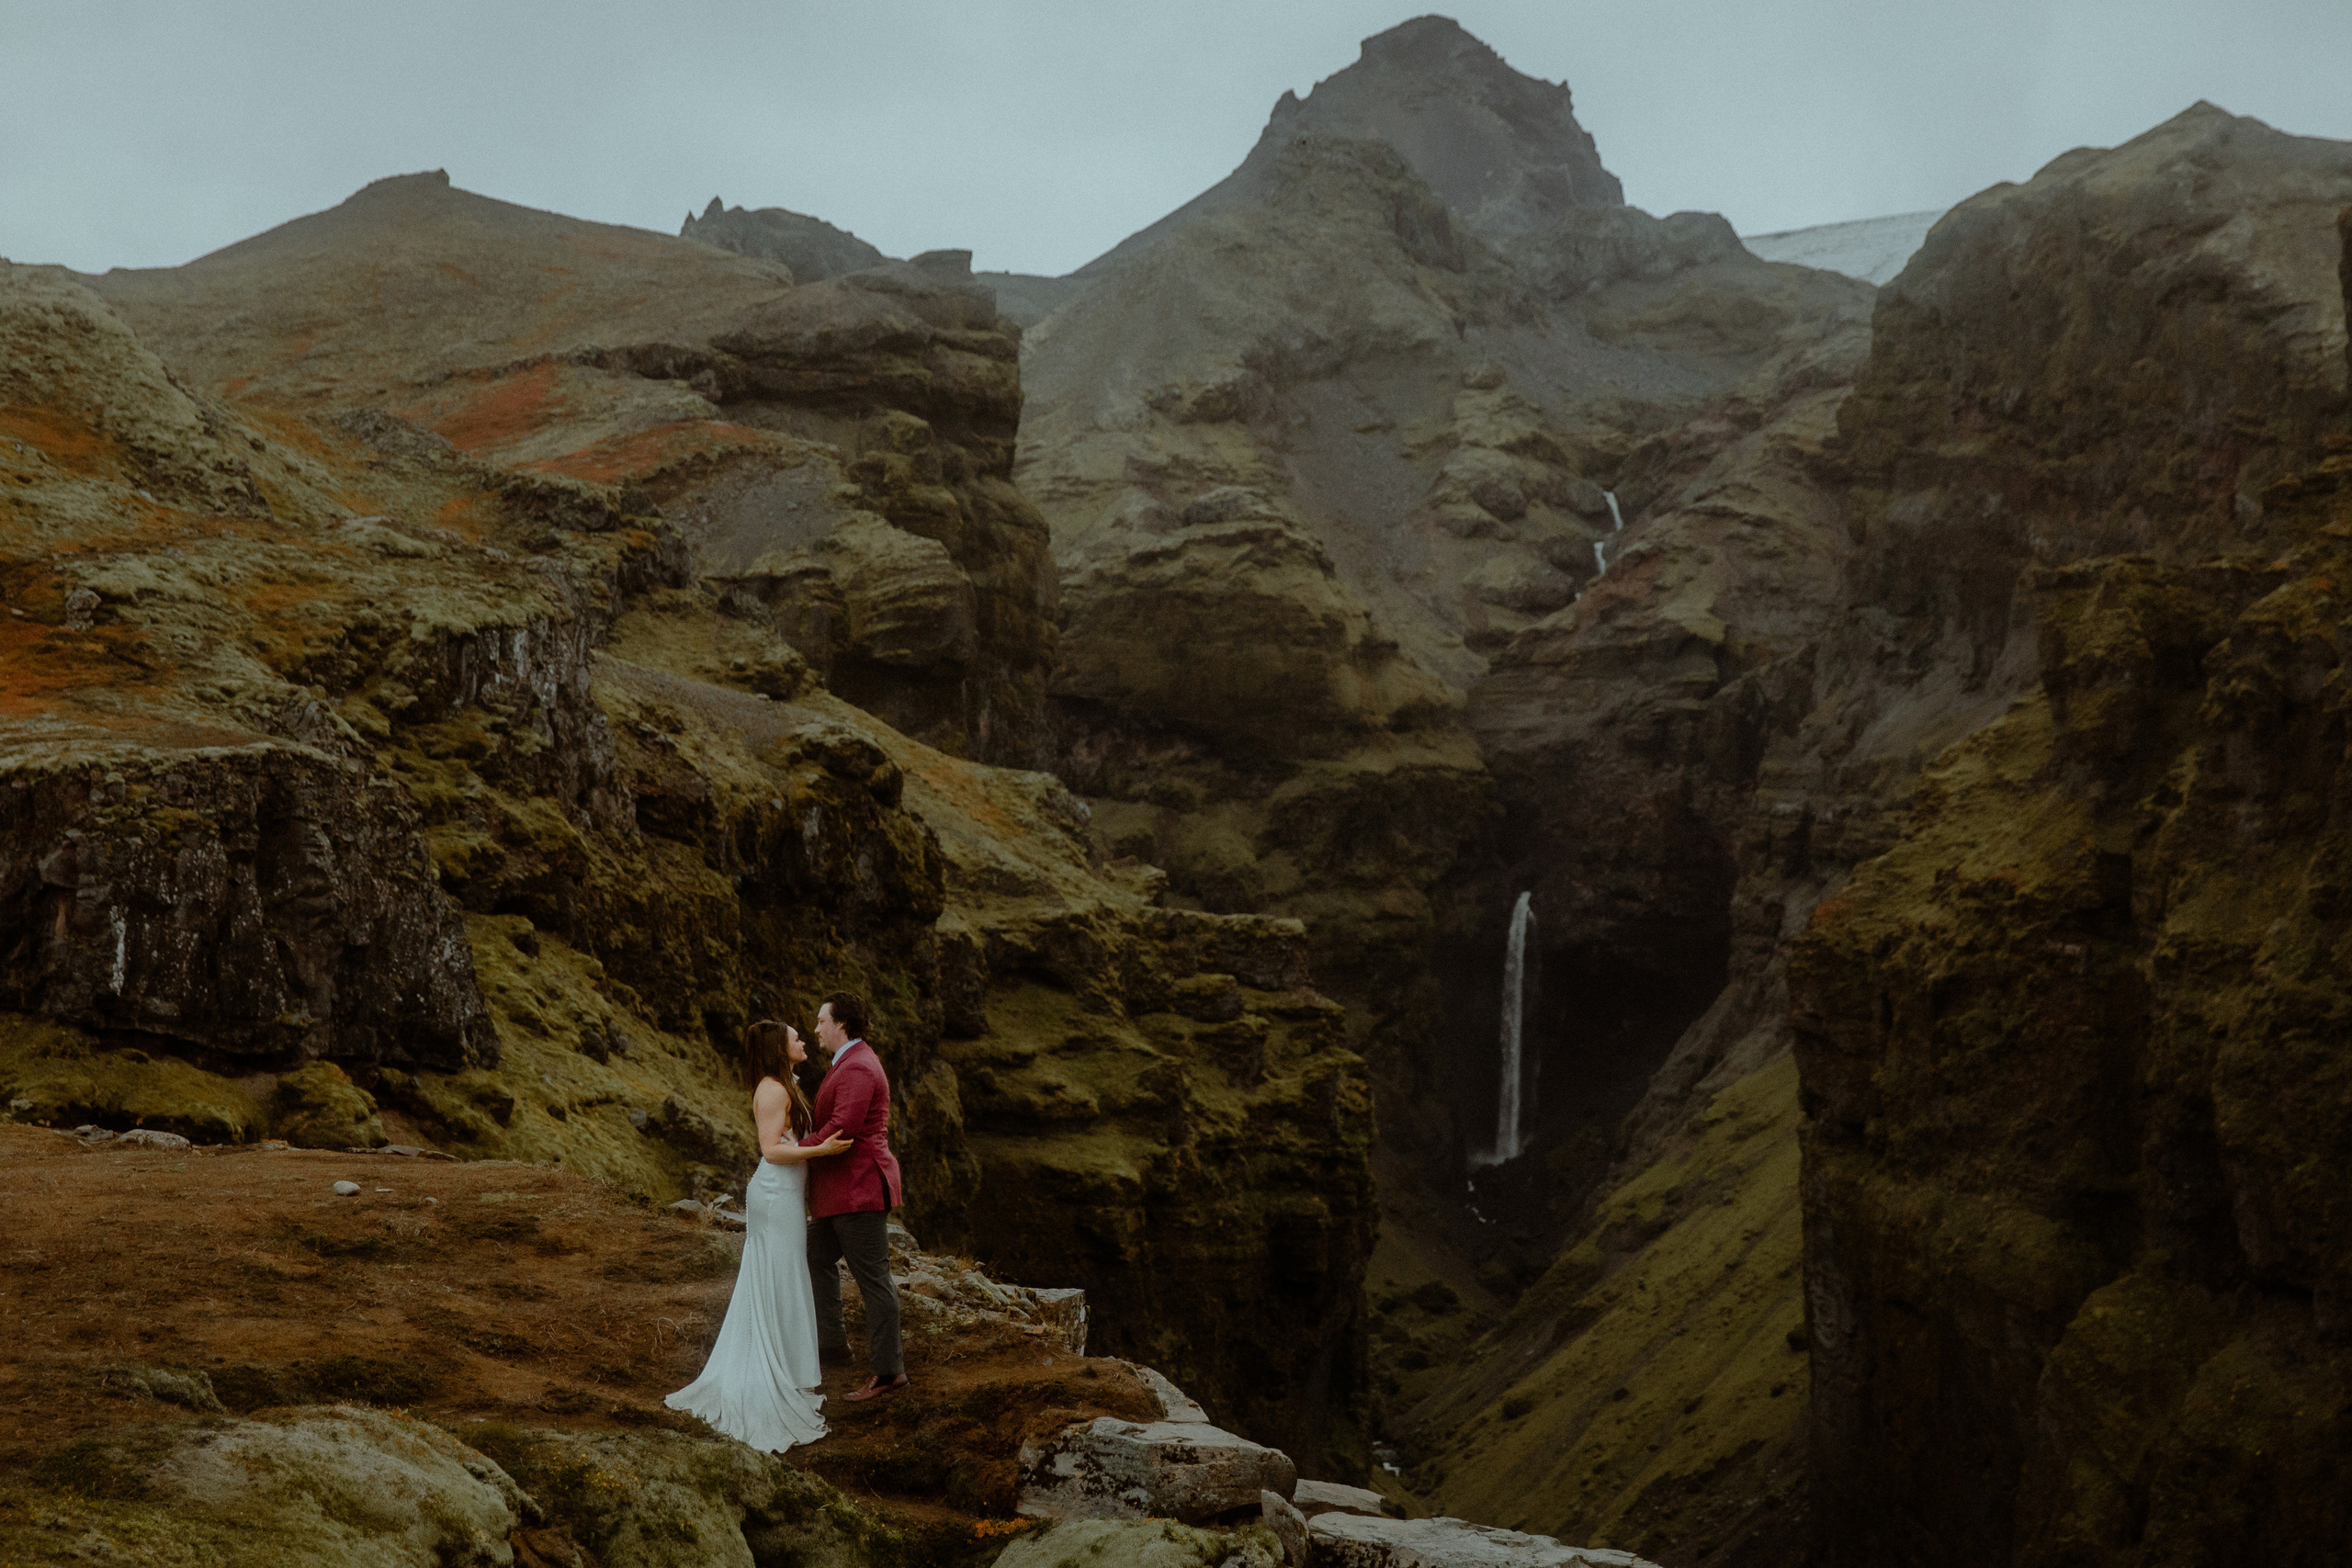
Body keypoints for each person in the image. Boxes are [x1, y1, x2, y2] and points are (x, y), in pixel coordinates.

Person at [664, 1019, 853, 1451]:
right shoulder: (771, 1090)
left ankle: (786, 1364)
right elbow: (770, 1149)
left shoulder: (785, 1084)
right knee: (779, 1274)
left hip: (787, 1193)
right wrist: (820, 1150)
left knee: (785, 1275)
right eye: (794, 1038)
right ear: (778, 1048)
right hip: (774, 1194)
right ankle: (771, 1367)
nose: (802, 1040)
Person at [802, 991, 909, 1401]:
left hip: (859, 1190)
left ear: (841, 1023)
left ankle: (888, 1372)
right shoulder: (850, 1062)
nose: (816, 1029)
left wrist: (795, 1150)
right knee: (812, 1255)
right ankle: (832, 1344)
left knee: (874, 1281)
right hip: (843, 1192)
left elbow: (842, 1127)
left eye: (821, 1021)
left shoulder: (859, 1066)